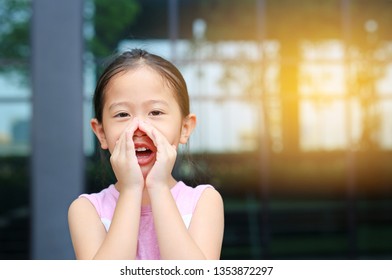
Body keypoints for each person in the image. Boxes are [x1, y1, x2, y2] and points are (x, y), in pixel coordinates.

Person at [68, 49, 224, 260]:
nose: (139, 126)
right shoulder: (87, 210)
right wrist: (131, 189)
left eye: (156, 112)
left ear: (185, 128)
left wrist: (158, 186)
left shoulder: (204, 202)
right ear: (101, 133)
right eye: (122, 114)